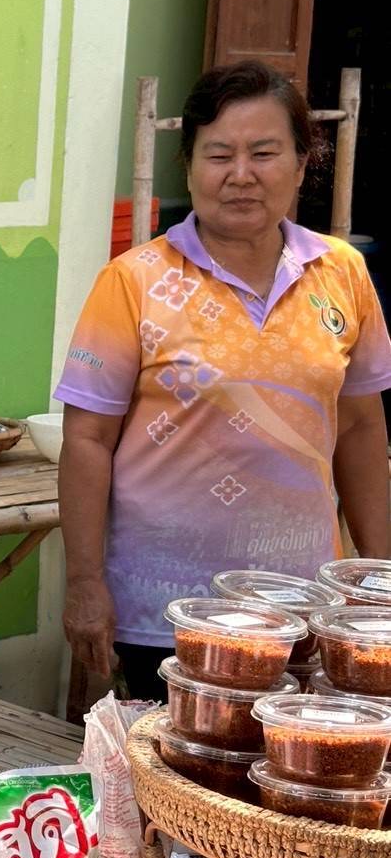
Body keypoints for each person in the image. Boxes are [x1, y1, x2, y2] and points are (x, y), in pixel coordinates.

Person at [56, 60, 391, 702]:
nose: (241, 175)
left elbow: (359, 425)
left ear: (301, 163)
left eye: (264, 152)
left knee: (290, 781)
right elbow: (88, 440)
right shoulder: (134, 281)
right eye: (219, 155)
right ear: (190, 167)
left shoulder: (342, 273)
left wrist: (375, 583)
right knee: (179, 784)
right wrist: (84, 582)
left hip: (306, 606)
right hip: (166, 611)